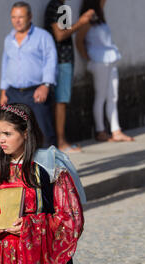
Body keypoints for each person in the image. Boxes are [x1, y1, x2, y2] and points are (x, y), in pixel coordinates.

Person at [0, 103, 86, 264]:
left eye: (7, 134)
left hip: (37, 262)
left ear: (25, 133)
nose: (1, 139)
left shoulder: (50, 168)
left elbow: (70, 220)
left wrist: (30, 227)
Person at [0, 2, 57, 148]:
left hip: (36, 93)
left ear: (30, 17)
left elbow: (51, 61)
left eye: (21, 17)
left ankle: (49, 169)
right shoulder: (9, 39)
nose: (17, 21)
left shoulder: (43, 37)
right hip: (13, 94)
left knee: (43, 133)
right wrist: (3, 91)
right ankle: (21, 169)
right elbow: (5, 65)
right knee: (14, 134)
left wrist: (46, 85)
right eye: (14, 17)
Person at [76, 0, 134, 143]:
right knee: (101, 96)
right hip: (99, 61)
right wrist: (88, 59)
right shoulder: (88, 18)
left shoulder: (100, 17)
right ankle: (100, 131)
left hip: (111, 60)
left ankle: (116, 130)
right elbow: (79, 41)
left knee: (113, 96)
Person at [44, 0, 95, 153]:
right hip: (61, 61)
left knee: (61, 101)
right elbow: (60, 35)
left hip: (63, 60)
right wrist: (81, 22)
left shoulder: (60, 7)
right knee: (61, 101)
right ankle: (60, 142)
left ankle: (58, 141)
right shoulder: (56, 6)